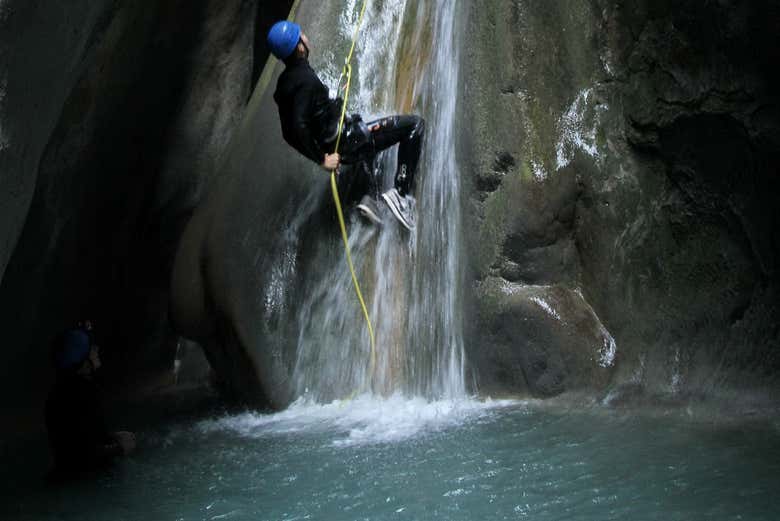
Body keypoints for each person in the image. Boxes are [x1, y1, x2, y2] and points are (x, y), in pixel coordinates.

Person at [267, 21, 425, 231]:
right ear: (299, 46)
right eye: (301, 35)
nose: (305, 37)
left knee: (371, 145)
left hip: (342, 141)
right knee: (415, 126)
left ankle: (370, 199)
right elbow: (297, 126)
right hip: (349, 139)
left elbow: (291, 130)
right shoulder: (305, 80)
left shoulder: (287, 81)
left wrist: (332, 100)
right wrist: (321, 159)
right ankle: (401, 195)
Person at [45, 328, 136, 479]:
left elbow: (76, 439)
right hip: (83, 480)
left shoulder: (62, 391)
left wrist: (109, 437)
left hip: (67, 477)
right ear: (82, 359)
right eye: (91, 347)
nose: (96, 349)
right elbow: (81, 455)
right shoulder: (81, 394)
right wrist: (120, 449)